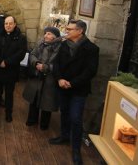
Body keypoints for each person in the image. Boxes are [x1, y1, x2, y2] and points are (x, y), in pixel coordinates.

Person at [49, 19, 99, 165]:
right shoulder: (64, 45)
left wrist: (71, 83)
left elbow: (90, 71)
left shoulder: (91, 49)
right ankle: (64, 136)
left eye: (70, 29)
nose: (67, 31)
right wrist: (59, 79)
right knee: (64, 112)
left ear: (80, 31)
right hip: (62, 85)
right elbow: (56, 63)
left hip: (78, 89)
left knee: (76, 118)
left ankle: (76, 149)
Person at [23, 26, 61, 130]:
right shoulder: (41, 43)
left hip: (50, 78)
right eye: (45, 33)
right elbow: (33, 54)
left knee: (47, 102)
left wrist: (45, 67)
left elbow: (59, 64)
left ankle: (44, 124)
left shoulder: (60, 47)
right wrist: (36, 63)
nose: (45, 35)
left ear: (55, 36)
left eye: (48, 34)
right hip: (37, 75)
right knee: (34, 99)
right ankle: (31, 120)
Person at [0, 16, 27, 122]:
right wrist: (0, 61)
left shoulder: (21, 37)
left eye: (10, 23)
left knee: (9, 93)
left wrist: (6, 62)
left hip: (11, 69)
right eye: (6, 23)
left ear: (15, 24)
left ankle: (8, 113)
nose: (8, 25)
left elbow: (21, 54)